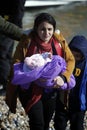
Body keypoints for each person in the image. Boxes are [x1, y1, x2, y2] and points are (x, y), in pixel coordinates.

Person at [6, 12, 75, 130]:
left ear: (54, 29)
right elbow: (16, 63)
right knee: (37, 124)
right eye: (42, 29)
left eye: (50, 29)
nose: (46, 33)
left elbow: (70, 60)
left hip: (51, 89)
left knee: (46, 123)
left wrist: (63, 78)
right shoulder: (27, 42)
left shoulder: (59, 42)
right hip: (30, 90)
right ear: (36, 29)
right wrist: (34, 75)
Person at [54, 35, 87, 130]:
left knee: (77, 126)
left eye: (78, 56)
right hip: (62, 102)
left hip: (78, 105)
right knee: (59, 125)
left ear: (83, 55)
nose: (74, 59)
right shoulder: (63, 62)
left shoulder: (85, 67)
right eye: (72, 55)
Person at [0, 0, 26, 91]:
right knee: (6, 55)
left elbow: (19, 9)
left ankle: (7, 85)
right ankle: (9, 83)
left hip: (10, 24)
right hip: (9, 24)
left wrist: (23, 35)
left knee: (2, 55)